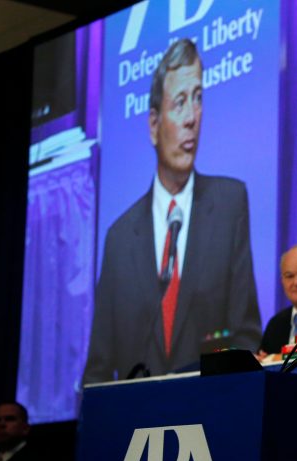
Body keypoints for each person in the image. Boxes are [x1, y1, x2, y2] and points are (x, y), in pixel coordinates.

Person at [84, 38, 261, 383]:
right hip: (138, 425)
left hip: (211, 413)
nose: (192, 117)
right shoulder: (120, 238)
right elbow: (99, 366)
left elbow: (245, 334)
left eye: (198, 98)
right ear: (153, 125)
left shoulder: (229, 203)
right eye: (179, 102)